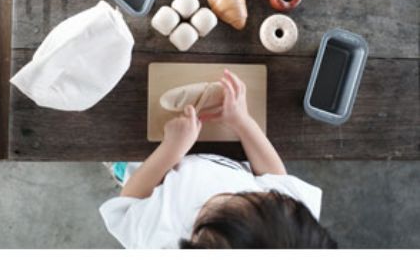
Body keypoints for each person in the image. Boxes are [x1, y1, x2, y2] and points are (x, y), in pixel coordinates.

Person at [99, 69, 336, 249]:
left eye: (228, 202)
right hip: (223, 161)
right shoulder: (291, 224)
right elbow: (274, 176)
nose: (233, 194)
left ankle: (119, 167)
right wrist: (242, 122)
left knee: (128, 161)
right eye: (255, 195)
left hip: (153, 176)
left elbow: (130, 199)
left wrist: (171, 149)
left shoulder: (157, 234)